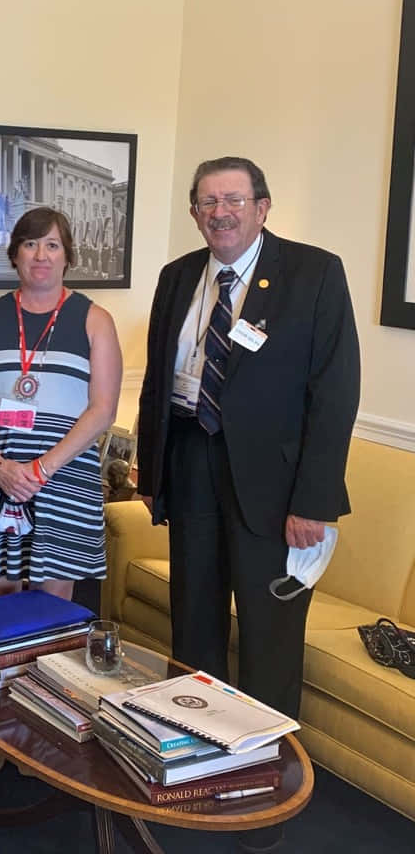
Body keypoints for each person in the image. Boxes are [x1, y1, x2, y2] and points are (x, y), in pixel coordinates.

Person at [137, 157, 359, 728]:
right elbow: (157, 381)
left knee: (269, 636)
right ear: (193, 214)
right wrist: (151, 472)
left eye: (234, 200)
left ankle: (268, 773)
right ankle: (192, 744)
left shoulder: (314, 274)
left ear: (262, 208)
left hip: (275, 487)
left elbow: (335, 395)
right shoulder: (178, 275)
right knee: (194, 624)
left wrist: (315, 501)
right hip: (190, 463)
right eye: (208, 202)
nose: (221, 213)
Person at [0, 207, 121, 772]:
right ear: (14, 253)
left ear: (68, 254)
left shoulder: (95, 319)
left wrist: (42, 468)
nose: (40, 256)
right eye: (29, 245)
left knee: (52, 607)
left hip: (62, 477)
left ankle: (43, 726)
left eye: (51, 246)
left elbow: (103, 410)